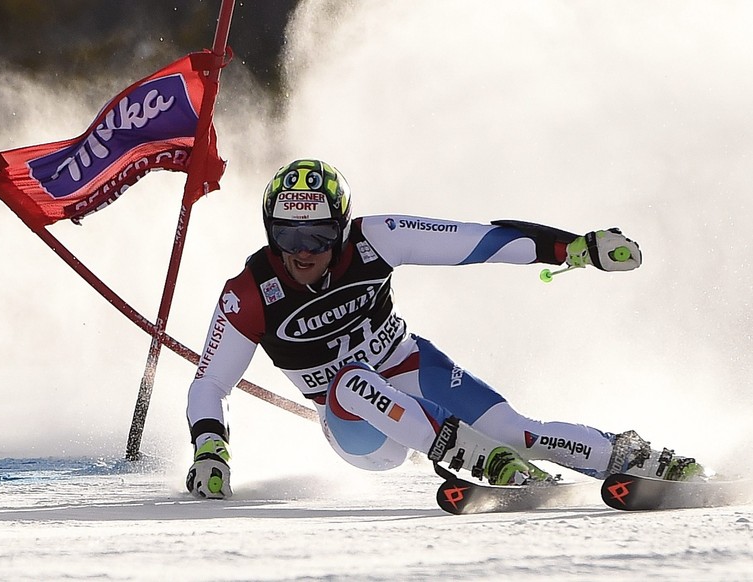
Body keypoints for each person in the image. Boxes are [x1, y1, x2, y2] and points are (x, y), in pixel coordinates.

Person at [184, 158, 703, 499]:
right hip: (360, 427)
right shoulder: (250, 291)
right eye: (287, 235)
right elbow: (210, 383)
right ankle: (478, 460)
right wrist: (211, 450)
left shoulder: (377, 238)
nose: (302, 252)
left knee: (517, 431)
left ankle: (636, 457)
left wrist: (575, 248)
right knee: (350, 380)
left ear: (342, 229)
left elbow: (480, 241)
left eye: (319, 236)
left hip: (414, 368)